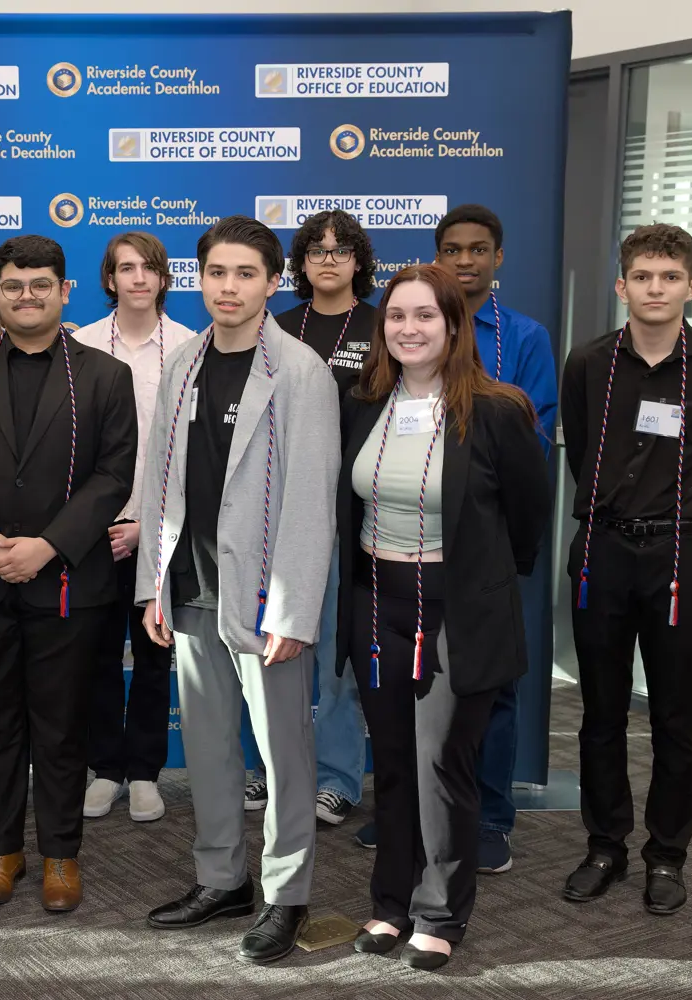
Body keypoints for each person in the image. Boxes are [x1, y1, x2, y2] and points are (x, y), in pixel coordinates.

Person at [139, 216, 339, 965]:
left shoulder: (300, 371)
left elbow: (312, 499)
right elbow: (159, 483)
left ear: (273, 283)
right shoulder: (185, 361)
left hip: (264, 600)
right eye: (216, 273)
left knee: (284, 757)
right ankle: (222, 879)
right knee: (209, 748)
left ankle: (287, 894)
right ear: (200, 279)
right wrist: (153, 586)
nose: (228, 287)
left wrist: (294, 609)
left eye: (245, 274)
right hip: (192, 587)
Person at [0, 234, 137, 914]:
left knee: (62, 724)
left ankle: (61, 855)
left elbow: (114, 475)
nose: (26, 296)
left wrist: (47, 546)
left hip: (66, 579)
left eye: (41, 285)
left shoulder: (105, 375)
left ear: (64, 291)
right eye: (13, 285)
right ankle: (3, 851)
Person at [340, 264, 548, 970]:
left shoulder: (498, 410)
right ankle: (391, 902)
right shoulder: (363, 401)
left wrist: (480, 585)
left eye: (425, 315)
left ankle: (440, 911)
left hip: (458, 609)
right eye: (397, 316)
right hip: (377, 602)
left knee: (441, 761)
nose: (409, 329)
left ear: (454, 325)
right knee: (393, 761)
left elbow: (528, 517)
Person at [560, 224, 692, 916]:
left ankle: (667, 855)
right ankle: (605, 846)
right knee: (601, 711)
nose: (656, 288)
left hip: (679, 555)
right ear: (622, 286)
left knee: (675, 715)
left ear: (691, 286)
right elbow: (581, 452)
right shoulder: (589, 362)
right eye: (643, 277)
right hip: (603, 551)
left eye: (670, 277)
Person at [255, 210, 378, 827]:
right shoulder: (275, 329)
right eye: (316, 250)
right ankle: (274, 767)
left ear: (359, 261)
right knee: (273, 646)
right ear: (300, 264)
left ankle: (335, 777)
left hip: (355, 514)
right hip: (280, 513)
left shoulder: (382, 328)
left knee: (335, 654)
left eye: (341, 250)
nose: (328, 260)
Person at [72, 232, 197, 825]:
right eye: (127, 268)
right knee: (96, 656)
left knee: (154, 655)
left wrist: (150, 525)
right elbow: (70, 449)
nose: (139, 278)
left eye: (149, 268)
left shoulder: (191, 347)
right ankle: (105, 769)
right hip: (94, 532)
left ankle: (145, 771)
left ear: (164, 278)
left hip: (163, 531)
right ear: (110, 279)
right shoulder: (82, 345)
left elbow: (194, 453)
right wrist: (93, 521)